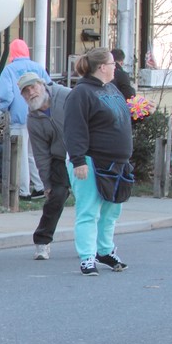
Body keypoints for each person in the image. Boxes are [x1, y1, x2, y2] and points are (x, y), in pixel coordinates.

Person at [63, 47, 133, 276]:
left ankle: (104, 250)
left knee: (112, 211)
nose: (116, 67)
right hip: (91, 161)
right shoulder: (81, 93)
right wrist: (78, 160)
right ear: (102, 67)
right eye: (113, 64)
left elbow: (117, 120)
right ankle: (87, 257)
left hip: (116, 161)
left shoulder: (111, 89)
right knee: (89, 211)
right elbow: (74, 129)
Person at [18, 72, 72, 261]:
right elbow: (41, 154)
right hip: (60, 158)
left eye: (33, 87)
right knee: (56, 196)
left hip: (84, 152)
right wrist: (46, 184)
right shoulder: (33, 120)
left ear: (42, 84)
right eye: (26, 91)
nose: (31, 93)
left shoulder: (66, 95)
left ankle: (97, 243)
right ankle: (42, 242)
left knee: (93, 200)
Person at [0, 39, 50, 200]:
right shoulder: (38, 67)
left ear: (12, 53)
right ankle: (40, 186)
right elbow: (49, 87)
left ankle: (23, 190)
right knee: (34, 153)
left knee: (19, 155)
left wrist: (3, 109)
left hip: (19, 118)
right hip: (39, 115)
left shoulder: (9, 70)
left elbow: (6, 95)